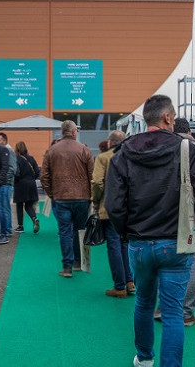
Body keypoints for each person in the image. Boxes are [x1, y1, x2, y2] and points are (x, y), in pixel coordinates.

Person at [105, 95, 195, 367]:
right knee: (173, 312)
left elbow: (114, 202)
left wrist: (127, 231)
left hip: (140, 241)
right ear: (167, 118)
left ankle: (144, 359)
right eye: (174, 115)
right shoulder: (187, 149)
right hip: (176, 242)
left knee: (143, 302)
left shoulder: (124, 151)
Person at [153, 118, 195, 326]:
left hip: (165, 214)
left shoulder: (162, 149)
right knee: (192, 262)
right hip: (192, 215)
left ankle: (163, 306)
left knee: (163, 260)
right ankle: (186, 311)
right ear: (190, 131)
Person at [41, 121, 94, 278]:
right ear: (74, 132)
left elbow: (44, 176)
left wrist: (52, 193)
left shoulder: (52, 151)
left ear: (62, 132)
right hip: (82, 197)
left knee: (65, 231)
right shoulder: (84, 149)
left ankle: (67, 267)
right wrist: (91, 195)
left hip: (61, 197)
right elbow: (92, 175)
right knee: (80, 230)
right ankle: (79, 262)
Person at [92, 130, 133, 297]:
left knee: (114, 245)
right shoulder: (131, 157)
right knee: (125, 244)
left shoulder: (103, 158)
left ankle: (119, 285)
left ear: (109, 143)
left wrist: (96, 201)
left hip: (110, 207)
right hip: (129, 208)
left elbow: (97, 182)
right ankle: (130, 281)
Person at [12, 141, 40, 234]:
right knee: (28, 205)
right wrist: (31, 178)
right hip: (31, 184)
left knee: (19, 206)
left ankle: (20, 226)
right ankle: (34, 218)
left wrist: (15, 181)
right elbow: (37, 172)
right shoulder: (31, 158)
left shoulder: (16, 159)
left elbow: (16, 173)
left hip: (20, 185)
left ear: (17, 149)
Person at [0, 132, 16, 238]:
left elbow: (12, 168)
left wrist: (4, 180)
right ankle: (4, 229)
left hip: (6, 183)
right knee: (2, 207)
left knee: (5, 206)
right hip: (3, 182)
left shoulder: (9, 151)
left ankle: (8, 229)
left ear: (4, 141)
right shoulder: (2, 151)